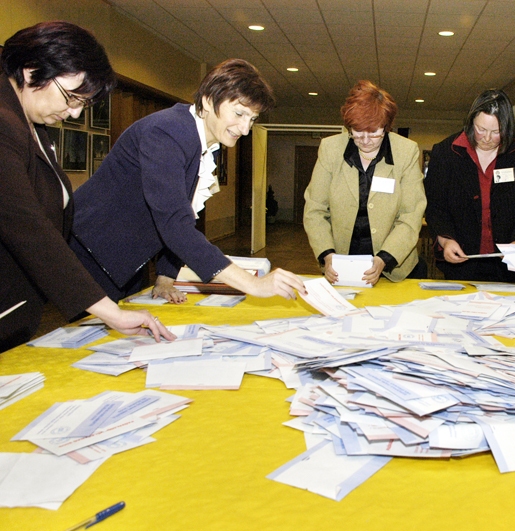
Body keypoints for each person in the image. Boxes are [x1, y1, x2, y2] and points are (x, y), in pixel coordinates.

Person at [70, 59, 306, 303]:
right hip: (89, 253)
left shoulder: (205, 144)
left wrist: (165, 276)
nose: (245, 129)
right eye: (239, 114)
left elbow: (182, 213)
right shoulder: (167, 132)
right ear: (208, 100)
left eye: (252, 119)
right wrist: (253, 284)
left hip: (127, 259)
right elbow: (174, 223)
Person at [0, 21, 173, 351]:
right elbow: (26, 226)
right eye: (71, 98)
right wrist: (110, 312)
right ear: (32, 70)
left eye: (84, 103)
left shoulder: (29, 122)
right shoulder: (4, 123)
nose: (76, 113)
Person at [303, 80, 426, 285]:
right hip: (341, 262)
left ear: (386, 127)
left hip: (393, 265)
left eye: (374, 132)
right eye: (358, 132)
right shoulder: (330, 149)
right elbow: (315, 210)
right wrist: (327, 254)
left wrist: (384, 258)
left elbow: (411, 214)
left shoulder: (406, 152)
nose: (366, 140)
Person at [424, 89, 515, 282]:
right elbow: (435, 207)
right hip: (462, 262)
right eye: (481, 129)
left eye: (496, 132)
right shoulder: (446, 153)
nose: (487, 138)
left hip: (510, 264)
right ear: (471, 122)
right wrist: (446, 240)